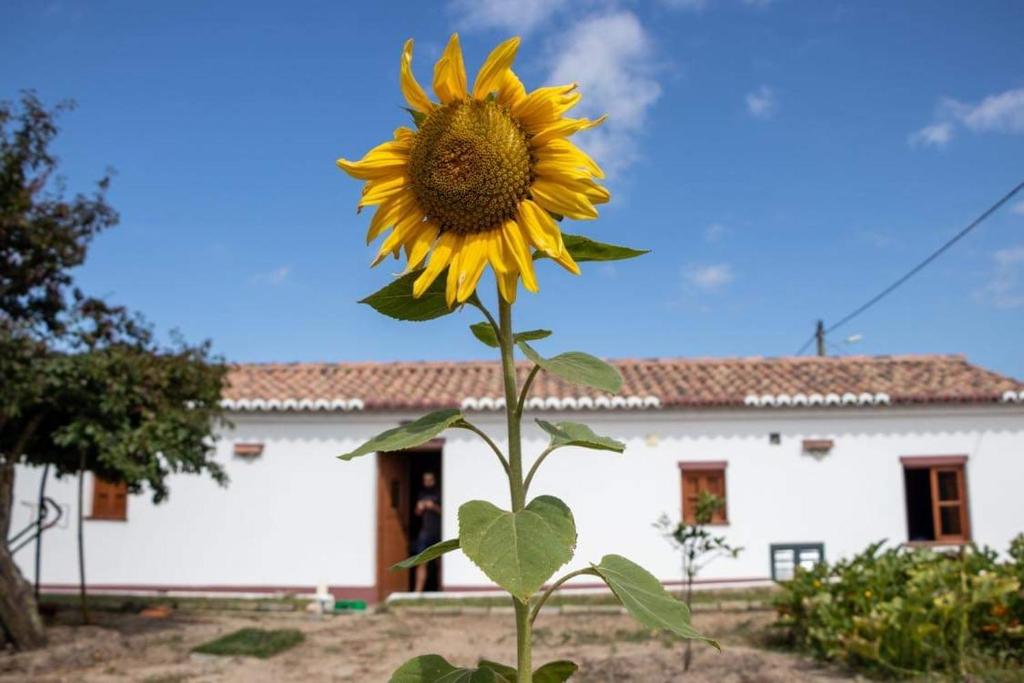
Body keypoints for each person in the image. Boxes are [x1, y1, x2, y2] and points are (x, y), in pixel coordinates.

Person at [412, 471, 441, 593]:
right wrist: (420, 507)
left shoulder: (440, 492)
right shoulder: (422, 493)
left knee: (439, 563)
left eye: (429, 479)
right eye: (425, 480)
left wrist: (433, 507)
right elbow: (416, 513)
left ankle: (441, 590)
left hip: (439, 531)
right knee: (421, 561)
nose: (427, 482)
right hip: (425, 532)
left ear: (434, 480)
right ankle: (417, 592)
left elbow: (447, 511)